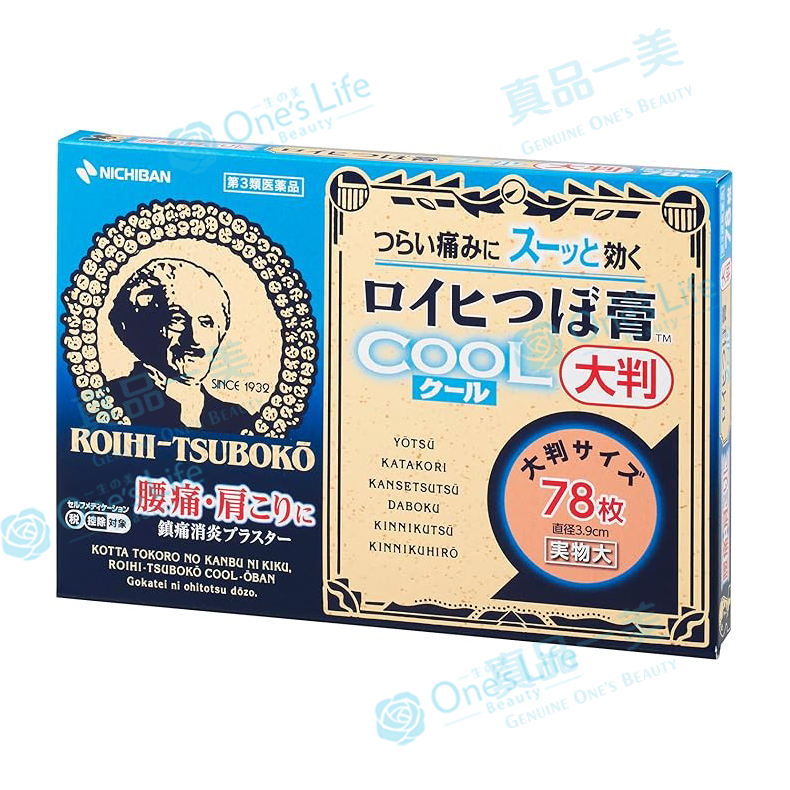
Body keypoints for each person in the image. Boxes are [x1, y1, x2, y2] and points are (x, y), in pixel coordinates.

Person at [107, 257, 254, 432]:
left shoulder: (239, 420)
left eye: (206, 322)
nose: (194, 339)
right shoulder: (109, 401)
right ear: (142, 327)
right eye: (177, 320)